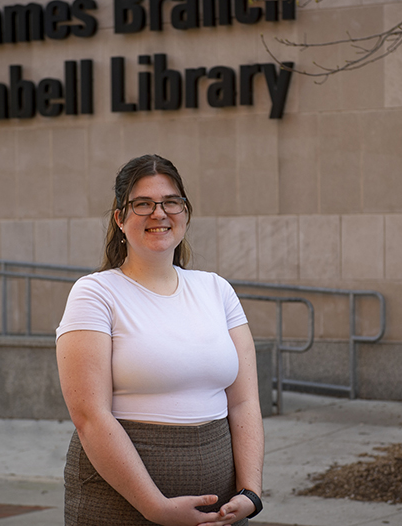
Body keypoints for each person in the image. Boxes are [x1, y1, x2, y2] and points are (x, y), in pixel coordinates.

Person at [56, 154, 265, 526]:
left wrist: (251, 493)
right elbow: (89, 416)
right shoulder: (95, 293)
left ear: (185, 212)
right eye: (142, 204)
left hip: (223, 512)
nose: (159, 213)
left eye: (171, 202)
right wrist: (155, 507)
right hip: (120, 507)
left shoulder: (216, 289)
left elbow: (245, 401)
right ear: (120, 218)